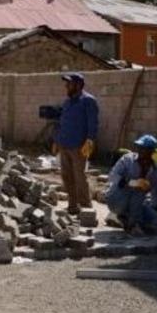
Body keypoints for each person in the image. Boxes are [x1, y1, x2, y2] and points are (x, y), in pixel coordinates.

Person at [54, 72, 99, 215]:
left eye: (69, 83)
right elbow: (62, 123)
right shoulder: (67, 102)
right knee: (67, 177)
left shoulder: (88, 101)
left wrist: (90, 141)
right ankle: (72, 206)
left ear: (78, 85)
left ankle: (86, 207)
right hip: (64, 144)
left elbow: (93, 123)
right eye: (66, 83)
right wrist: (57, 141)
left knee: (80, 177)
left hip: (79, 146)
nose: (66, 86)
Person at [106, 135, 157, 236]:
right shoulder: (127, 160)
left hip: (136, 203)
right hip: (116, 199)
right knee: (139, 189)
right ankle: (132, 224)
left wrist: (152, 207)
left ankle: (121, 218)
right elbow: (112, 176)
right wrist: (131, 183)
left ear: (151, 151)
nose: (140, 150)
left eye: (144, 149)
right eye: (139, 147)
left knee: (154, 219)